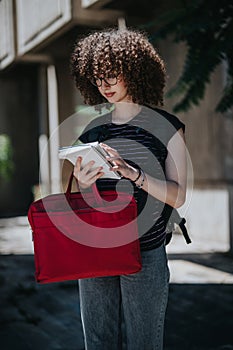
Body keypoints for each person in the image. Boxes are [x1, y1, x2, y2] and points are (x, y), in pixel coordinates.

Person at [70, 28, 187, 350]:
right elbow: (87, 200)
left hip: (146, 252)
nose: (103, 85)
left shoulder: (167, 127)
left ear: (133, 70)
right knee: (98, 343)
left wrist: (134, 174)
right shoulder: (93, 129)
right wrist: (84, 183)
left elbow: (178, 195)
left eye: (111, 75)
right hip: (97, 246)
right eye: (96, 78)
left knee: (144, 344)